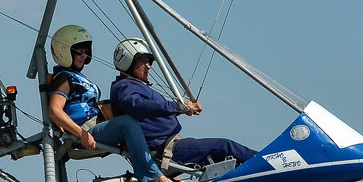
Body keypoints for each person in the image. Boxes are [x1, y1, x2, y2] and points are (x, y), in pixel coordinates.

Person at [47, 24, 183, 182]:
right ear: (64, 52)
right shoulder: (64, 78)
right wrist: (82, 134)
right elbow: (54, 111)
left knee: (133, 117)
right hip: (83, 133)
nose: (83, 56)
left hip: (95, 126)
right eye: (78, 52)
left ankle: (161, 173)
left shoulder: (77, 77)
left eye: (85, 51)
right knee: (127, 123)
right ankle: (153, 178)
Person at [110, 38, 258, 169]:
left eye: (149, 62)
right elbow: (139, 106)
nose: (149, 66)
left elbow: (152, 113)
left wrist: (185, 109)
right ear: (127, 62)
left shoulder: (134, 86)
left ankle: (259, 164)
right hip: (164, 148)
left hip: (171, 144)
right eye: (143, 61)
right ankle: (267, 161)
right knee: (225, 147)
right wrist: (178, 107)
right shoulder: (124, 88)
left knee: (225, 153)